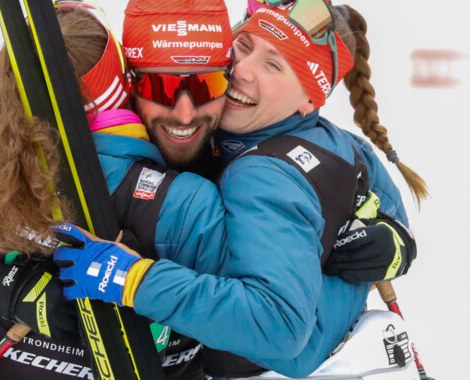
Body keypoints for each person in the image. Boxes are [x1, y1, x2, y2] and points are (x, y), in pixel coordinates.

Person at [0, 0, 418, 378]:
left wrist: (389, 241)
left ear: (311, 103)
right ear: (129, 87)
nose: (185, 111)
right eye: (163, 87)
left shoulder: (222, 183)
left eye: (207, 84)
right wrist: (16, 290)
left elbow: (275, 321)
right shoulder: (16, 169)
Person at [51, 0, 427, 378]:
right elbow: (379, 190)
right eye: (243, 48)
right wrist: (398, 238)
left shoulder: (261, 174)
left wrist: (133, 280)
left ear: (309, 100)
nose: (241, 71)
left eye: (274, 65)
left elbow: (279, 327)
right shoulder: (333, 139)